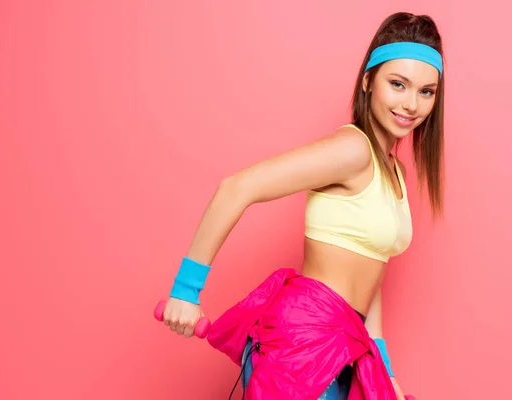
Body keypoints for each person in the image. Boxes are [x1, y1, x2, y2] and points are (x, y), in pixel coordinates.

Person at [161, 11, 445, 400]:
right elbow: (237, 187)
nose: (411, 104)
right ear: (368, 81)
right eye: (398, 84)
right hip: (303, 347)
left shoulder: (393, 172)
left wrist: (385, 369)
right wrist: (185, 291)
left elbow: (371, 267)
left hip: (346, 347)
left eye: (426, 91)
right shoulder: (352, 150)